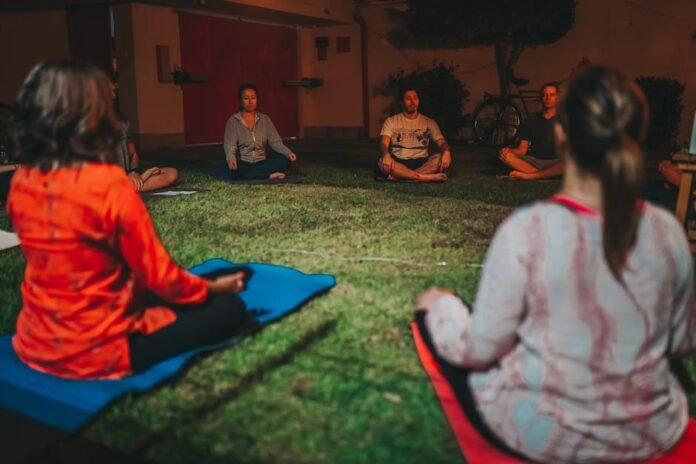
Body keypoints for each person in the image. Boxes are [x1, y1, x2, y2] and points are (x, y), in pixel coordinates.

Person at [415, 66, 695, 462]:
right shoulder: (666, 230)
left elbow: (479, 350)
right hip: (650, 432)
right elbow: (682, 341)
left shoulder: (528, 230)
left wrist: (441, 308)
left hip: (542, 433)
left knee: (438, 313)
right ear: (637, 136)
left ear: (562, 135)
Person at [7, 59, 252, 379]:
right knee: (228, 309)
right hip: (95, 351)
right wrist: (211, 288)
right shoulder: (107, 185)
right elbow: (163, 280)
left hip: (36, 340)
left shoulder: (24, 180)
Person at [224, 84, 297, 180]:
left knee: (284, 160)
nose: (250, 102)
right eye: (246, 98)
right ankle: (269, 175)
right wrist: (231, 159)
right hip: (244, 163)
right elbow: (230, 145)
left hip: (262, 162)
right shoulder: (233, 121)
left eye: (253, 98)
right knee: (233, 170)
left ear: (257, 99)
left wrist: (288, 153)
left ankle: (257, 175)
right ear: (240, 101)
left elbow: (275, 142)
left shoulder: (265, 119)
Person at [377, 88, 451, 182]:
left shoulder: (429, 122)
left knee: (441, 157)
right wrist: (386, 154)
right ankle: (423, 177)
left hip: (422, 162)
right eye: (408, 98)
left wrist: (447, 151)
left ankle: (403, 177)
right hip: (399, 160)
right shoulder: (391, 121)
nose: (412, 102)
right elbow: (383, 144)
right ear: (401, 102)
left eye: (415, 98)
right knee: (381, 161)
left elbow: (441, 142)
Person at [499, 82, 564, 180]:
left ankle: (531, 176)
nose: (548, 98)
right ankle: (547, 174)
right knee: (506, 156)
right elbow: (522, 149)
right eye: (544, 95)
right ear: (540, 98)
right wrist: (508, 150)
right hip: (534, 161)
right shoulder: (531, 120)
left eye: (551, 95)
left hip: (557, 161)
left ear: (557, 98)